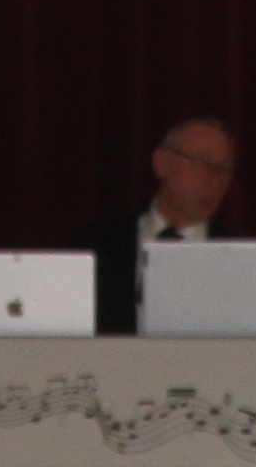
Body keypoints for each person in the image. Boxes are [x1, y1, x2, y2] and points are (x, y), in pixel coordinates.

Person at [76, 114, 237, 336]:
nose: (213, 180)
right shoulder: (97, 247)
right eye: (201, 163)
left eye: (223, 169)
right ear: (162, 163)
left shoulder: (238, 260)